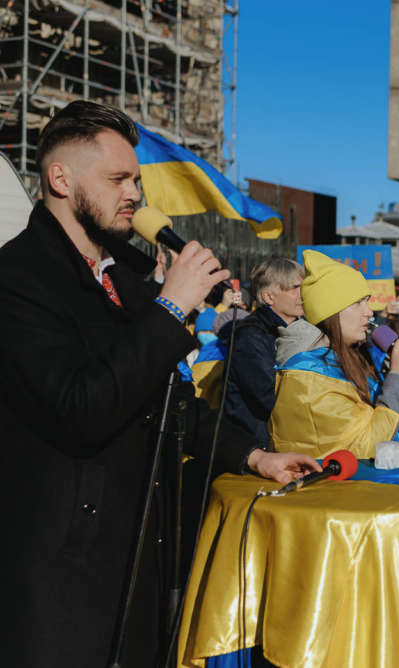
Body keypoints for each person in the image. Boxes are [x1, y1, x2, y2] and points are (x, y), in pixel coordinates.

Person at [0, 100, 319, 667]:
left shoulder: (123, 280)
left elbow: (167, 402)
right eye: (118, 179)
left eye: (137, 180)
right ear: (59, 178)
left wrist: (252, 456)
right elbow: (80, 408)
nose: (135, 195)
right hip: (63, 571)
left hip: (141, 553)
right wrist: (171, 307)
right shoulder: (19, 277)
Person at [270, 250, 399, 459]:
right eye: (358, 302)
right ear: (331, 311)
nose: (369, 311)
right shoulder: (308, 377)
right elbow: (365, 450)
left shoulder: (345, 359)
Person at [222, 257, 305, 450]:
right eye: (295, 288)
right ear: (269, 297)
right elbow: (270, 397)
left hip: (284, 439)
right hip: (257, 447)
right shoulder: (250, 336)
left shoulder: (299, 329)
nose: (303, 294)